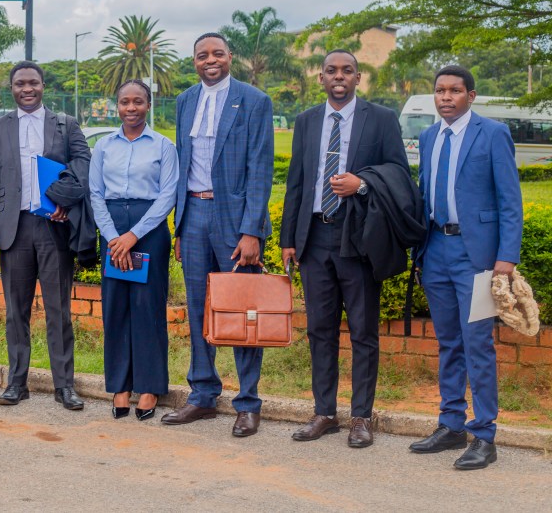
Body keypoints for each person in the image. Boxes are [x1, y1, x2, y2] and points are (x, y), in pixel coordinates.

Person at [280, 50, 410, 448]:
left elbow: (400, 174)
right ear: (321, 78)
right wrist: (288, 239)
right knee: (319, 330)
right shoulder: (306, 121)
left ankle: (360, 417)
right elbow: (297, 183)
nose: (339, 77)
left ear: (358, 78)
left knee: (363, 331)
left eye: (347, 71)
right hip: (314, 239)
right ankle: (324, 413)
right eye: (332, 71)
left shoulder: (382, 119)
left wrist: (363, 184)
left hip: (358, 238)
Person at [409, 65, 523, 471]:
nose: (446, 97)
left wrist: (505, 259)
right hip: (436, 249)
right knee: (448, 342)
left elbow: (510, 200)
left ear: (470, 96)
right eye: (440, 90)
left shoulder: (492, 134)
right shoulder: (427, 136)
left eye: (455, 90)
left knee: (477, 345)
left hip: (476, 256)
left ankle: (484, 434)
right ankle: (451, 424)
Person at [162, 32, 273, 437]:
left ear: (230, 56)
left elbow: (260, 169)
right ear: (194, 61)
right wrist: (179, 226)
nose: (210, 60)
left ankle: (248, 403)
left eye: (217, 53)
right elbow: (182, 161)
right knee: (197, 308)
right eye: (201, 55)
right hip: (193, 215)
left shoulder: (254, 101)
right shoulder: (185, 100)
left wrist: (252, 231)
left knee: (244, 312)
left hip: (234, 221)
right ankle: (203, 396)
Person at [0, 62, 91, 411]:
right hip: (14, 230)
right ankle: (17, 383)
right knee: (16, 313)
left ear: (44, 85)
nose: (27, 89)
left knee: (59, 310)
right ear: (11, 88)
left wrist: (63, 200)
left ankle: (64, 386)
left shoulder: (65, 124)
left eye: (33, 83)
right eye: (19, 84)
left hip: (53, 227)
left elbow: (84, 164)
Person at [90, 80, 178, 421]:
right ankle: (120, 386)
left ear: (148, 105)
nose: (131, 108)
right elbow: (96, 193)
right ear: (117, 106)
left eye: (138, 102)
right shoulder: (104, 147)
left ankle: (150, 385)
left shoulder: (163, 146)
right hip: (111, 229)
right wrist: (114, 237)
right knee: (116, 308)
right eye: (125, 102)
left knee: (147, 308)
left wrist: (133, 235)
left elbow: (168, 195)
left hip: (150, 230)